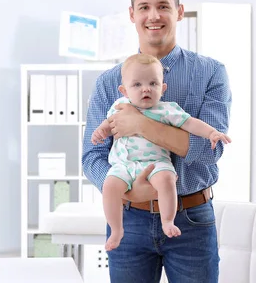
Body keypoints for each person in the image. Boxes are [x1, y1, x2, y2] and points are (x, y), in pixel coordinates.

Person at [83, 0, 231, 283]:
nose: (154, 16)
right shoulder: (110, 83)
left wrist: (138, 124)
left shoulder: (210, 73)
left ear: (179, 12)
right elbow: (91, 156)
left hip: (191, 219)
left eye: (163, 6)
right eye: (144, 7)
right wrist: (132, 191)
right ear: (132, 14)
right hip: (128, 221)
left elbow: (208, 151)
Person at [91, 53, 231, 252]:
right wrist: (100, 132)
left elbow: (190, 123)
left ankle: (167, 220)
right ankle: (116, 229)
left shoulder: (165, 110)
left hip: (156, 162)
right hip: (123, 165)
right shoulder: (119, 106)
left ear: (162, 88)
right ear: (124, 90)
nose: (146, 88)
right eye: (137, 85)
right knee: (110, 186)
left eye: (153, 84)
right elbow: (106, 126)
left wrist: (212, 132)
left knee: (166, 180)